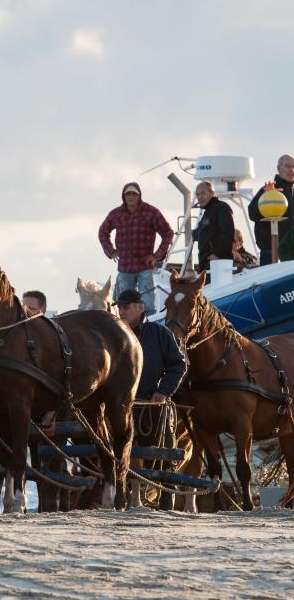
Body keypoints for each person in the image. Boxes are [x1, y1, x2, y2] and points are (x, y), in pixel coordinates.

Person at [117, 289, 187, 510]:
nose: (121, 311)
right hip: (121, 407)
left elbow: (178, 365)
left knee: (165, 453)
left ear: (140, 308)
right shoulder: (115, 334)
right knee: (119, 454)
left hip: (153, 406)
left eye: (126, 307)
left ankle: (167, 504)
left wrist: (163, 392)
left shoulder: (158, 333)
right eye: (120, 307)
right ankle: (126, 499)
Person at [98, 182, 173, 316]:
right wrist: (111, 251)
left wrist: (157, 256)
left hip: (145, 266)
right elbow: (102, 232)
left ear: (139, 196)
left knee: (148, 306)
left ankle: (147, 328)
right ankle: (125, 330)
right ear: (124, 196)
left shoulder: (151, 212)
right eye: (128, 194)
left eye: (134, 194)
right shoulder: (116, 214)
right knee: (124, 305)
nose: (131, 197)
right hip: (125, 267)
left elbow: (168, 232)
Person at [249, 154, 294, 265]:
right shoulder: (269, 190)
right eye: (287, 166)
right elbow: (252, 214)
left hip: (290, 253)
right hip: (270, 253)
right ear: (279, 169)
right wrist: (265, 195)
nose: (291, 170)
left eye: (293, 166)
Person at [193, 181, 235, 273]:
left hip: (217, 262)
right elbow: (199, 234)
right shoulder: (207, 213)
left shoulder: (221, 208)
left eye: (203, 193)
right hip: (205, 264)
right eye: (198, 194)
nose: (200, 197)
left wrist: (216, 254)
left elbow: (228, 233)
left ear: (212, 193)